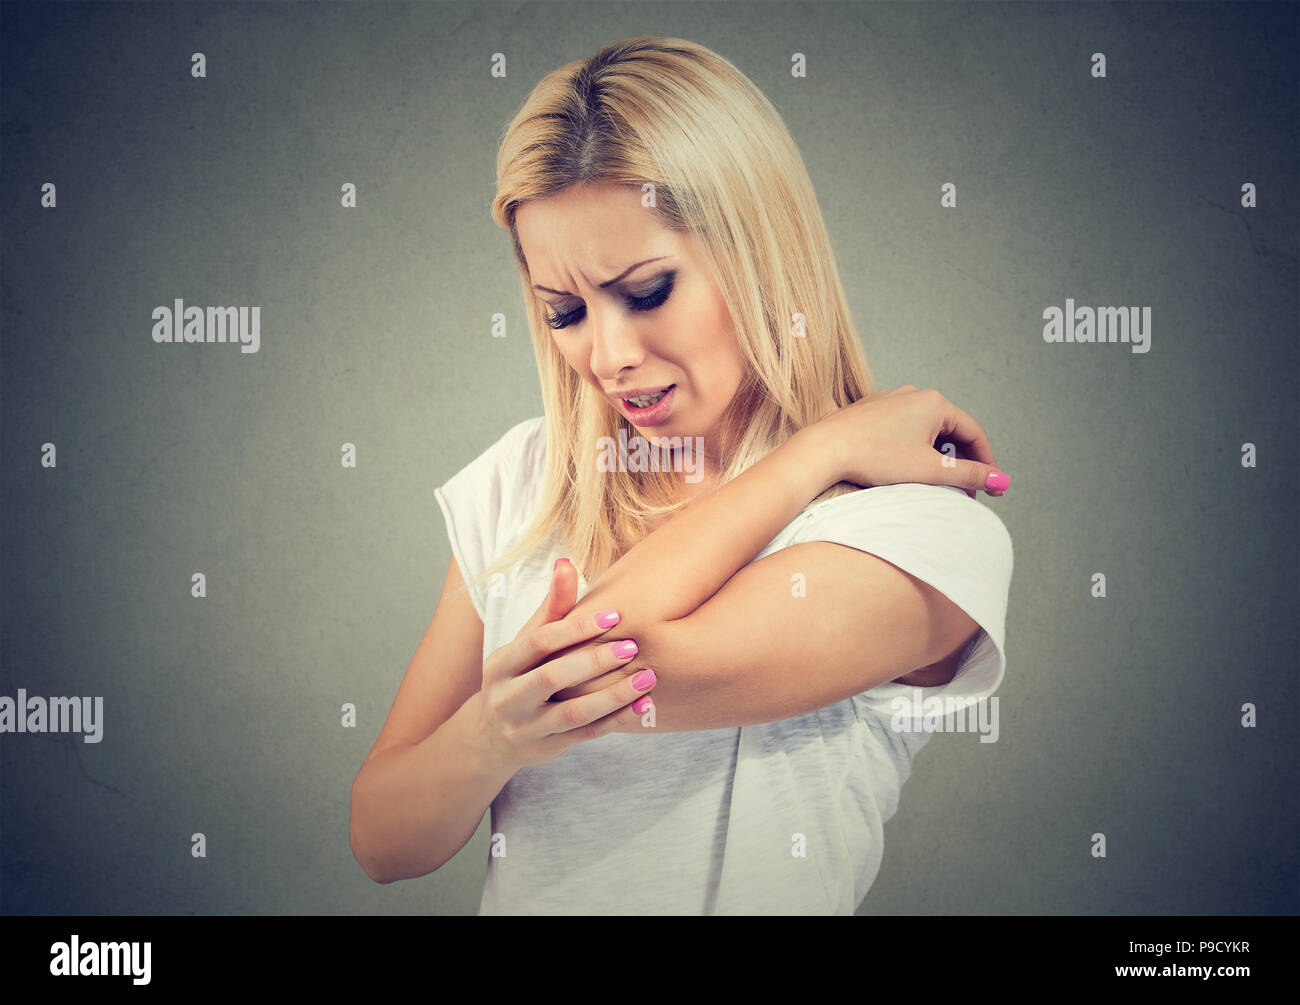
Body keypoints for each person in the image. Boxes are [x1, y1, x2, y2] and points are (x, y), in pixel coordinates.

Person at [349, 36, 1014, 915]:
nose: (610, 355)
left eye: (649, 290)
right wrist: (489, 735)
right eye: (566, 311)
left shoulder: (916, 526)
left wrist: (814, 455)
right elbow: (383, 838)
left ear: (759, 253)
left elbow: (601, 659)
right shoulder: (524, 482)